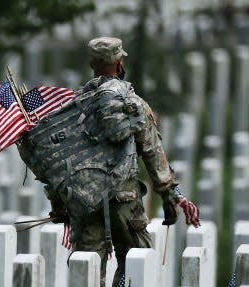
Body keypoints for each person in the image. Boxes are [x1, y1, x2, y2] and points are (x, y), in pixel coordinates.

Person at [16, 37, 200, 287]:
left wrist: (59, 205)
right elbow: (153, 154)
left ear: (92, 63)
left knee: (88, 271)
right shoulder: (132, 104)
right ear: (119, 62)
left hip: (84, 202)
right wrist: (172, 196)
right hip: (123, 200)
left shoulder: (73, 109)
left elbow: (56, 162)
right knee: (136, 262)